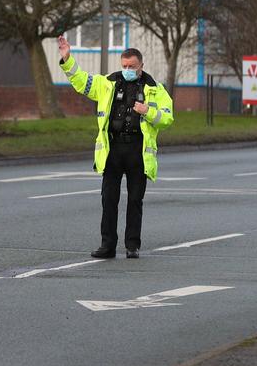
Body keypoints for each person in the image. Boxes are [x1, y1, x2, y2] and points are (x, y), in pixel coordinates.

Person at [57, 34, 174, 259]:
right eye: (124, 65)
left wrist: (148, 111)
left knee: (135, 200)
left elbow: (168, 118)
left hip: (137, 150)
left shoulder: (155, 89)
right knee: (108, 199)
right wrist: (67, 59)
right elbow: (82, 81)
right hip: (113, 149)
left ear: (141, 66)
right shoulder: (108, 83)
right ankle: (107, 245)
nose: (128, 69)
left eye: (132, 66)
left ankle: (132, 246)